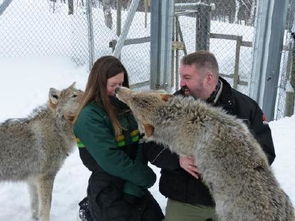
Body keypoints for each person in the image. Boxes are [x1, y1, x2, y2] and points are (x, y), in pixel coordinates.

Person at [143, 50, 276, 221]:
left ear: (209, 78)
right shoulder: (169, 106)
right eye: (181, 76)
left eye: (187, 77)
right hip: (185, 201)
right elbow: (150, 147)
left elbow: (266, 153)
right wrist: (178, 159)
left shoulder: (246, 108)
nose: (181, 83)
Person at [73, 56, 164, 221]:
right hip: (108, 187)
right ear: (99, 85)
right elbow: (110, 159)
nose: (118, 90)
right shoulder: (89, 116)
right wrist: (145, 177)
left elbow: (141, 144)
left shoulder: (127, 108)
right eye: (113, 85)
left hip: (134, 184)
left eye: (121, 84)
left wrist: (134, 187)